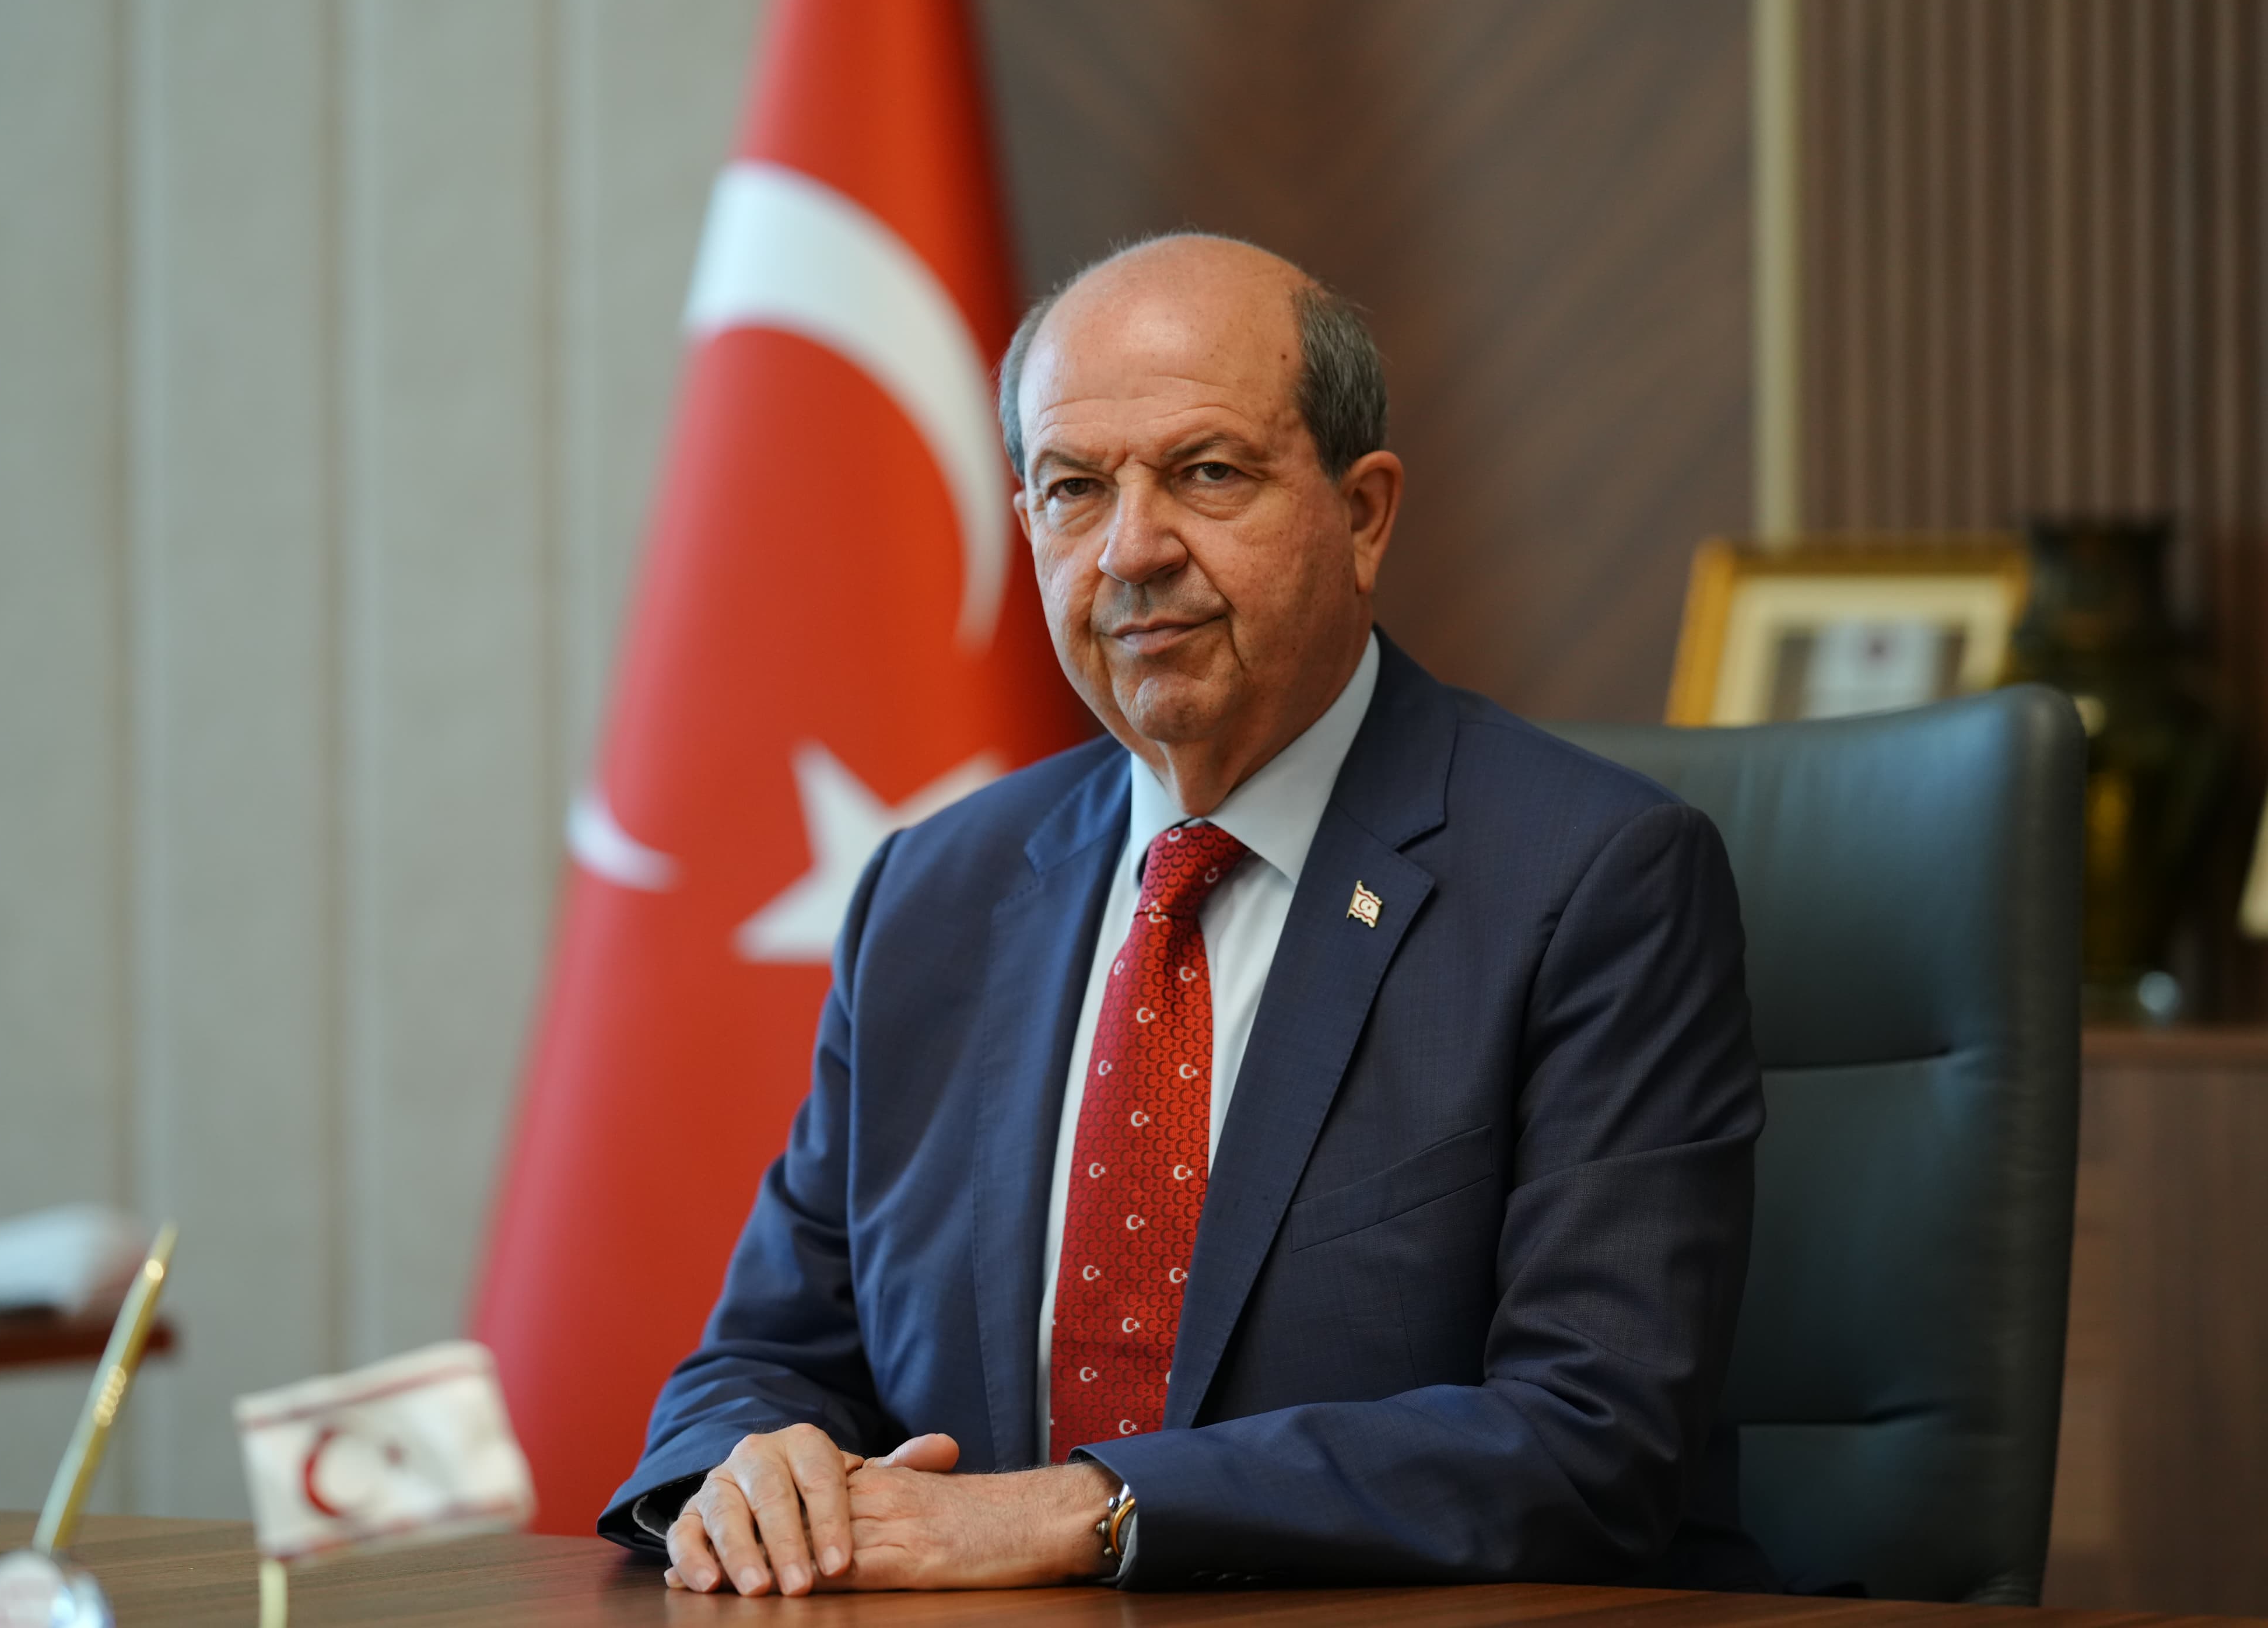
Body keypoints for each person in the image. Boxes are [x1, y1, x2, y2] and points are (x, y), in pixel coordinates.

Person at [604, 234, 1769, 1595]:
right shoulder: (933, 895)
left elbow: (1593, 1440)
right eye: (1075, 490)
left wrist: (1085, 1512)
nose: (1132, 551)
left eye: (1208, 473)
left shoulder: (1594, 881)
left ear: (1364, 514)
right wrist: (750, 1476)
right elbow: (760, 1361)